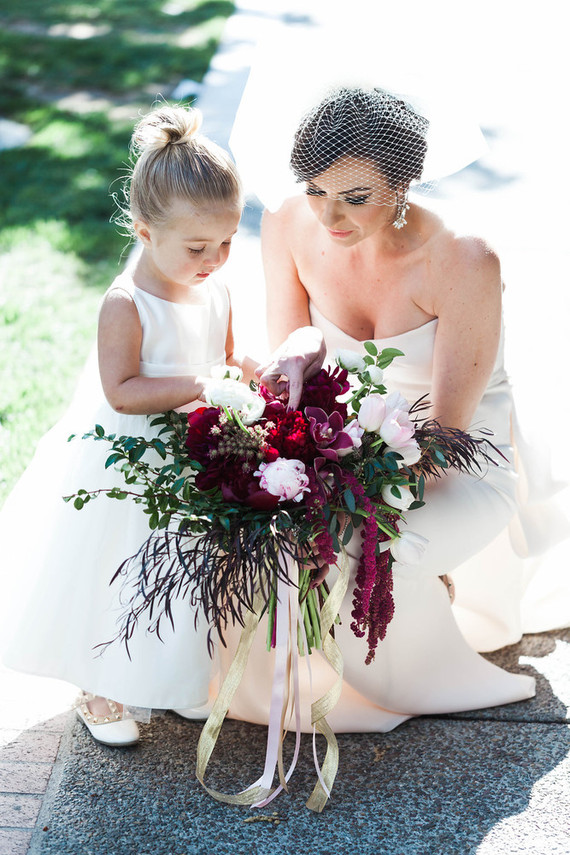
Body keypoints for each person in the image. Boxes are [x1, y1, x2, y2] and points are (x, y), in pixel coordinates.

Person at [218, 86, 559, 733]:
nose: (329, 216)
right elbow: (292, 373)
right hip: (345, 450)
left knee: (361, 545)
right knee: (271, 529)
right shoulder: (291, 222)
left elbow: (449, 439)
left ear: (404, 184)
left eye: (354, 197)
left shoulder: (463, 259)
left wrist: (346, 490)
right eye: (316, 189)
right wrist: (294, 448)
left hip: (451, 467)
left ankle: (421, 671)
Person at [0, 104, 324, 747]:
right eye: (199, 247)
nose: (216, 258)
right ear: (145, 231)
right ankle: (102, 686)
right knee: (118, 566)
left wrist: (267, 375)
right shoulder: (127, 303)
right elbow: (121, 392)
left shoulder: (216, 289)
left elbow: (228, 355)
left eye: (229, 241)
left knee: (184, 565)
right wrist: (207, 385)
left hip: (194, 454)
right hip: (127, 457)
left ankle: (163, 676)